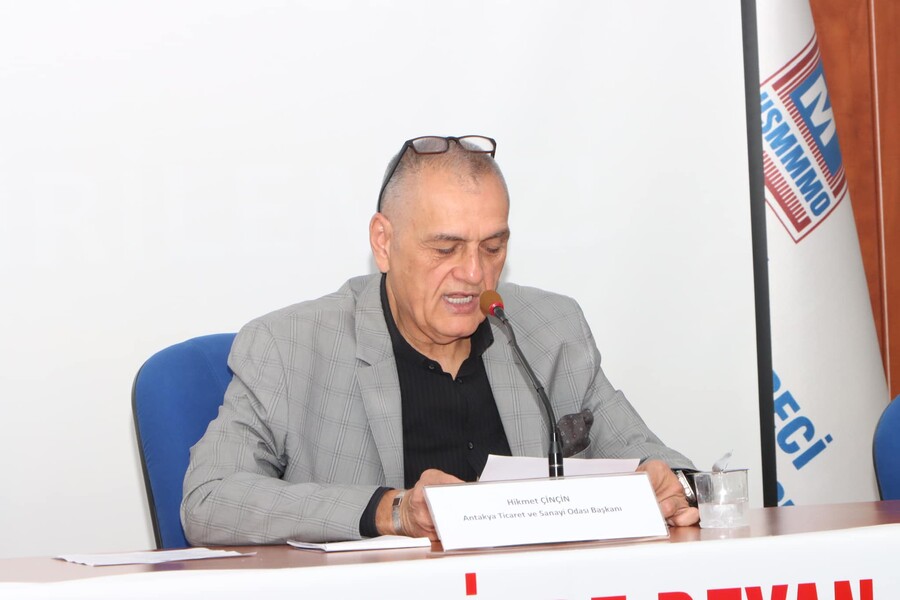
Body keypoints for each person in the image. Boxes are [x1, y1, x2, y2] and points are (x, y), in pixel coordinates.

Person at [181, 135, 699, 545]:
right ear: (384, 242)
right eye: (446, 249)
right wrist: (393, 510)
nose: (473, 273)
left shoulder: (550, 329)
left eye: (492, 247)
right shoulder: (288, 347)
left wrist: (672, 485)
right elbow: (209, 499)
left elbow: (658, 460)